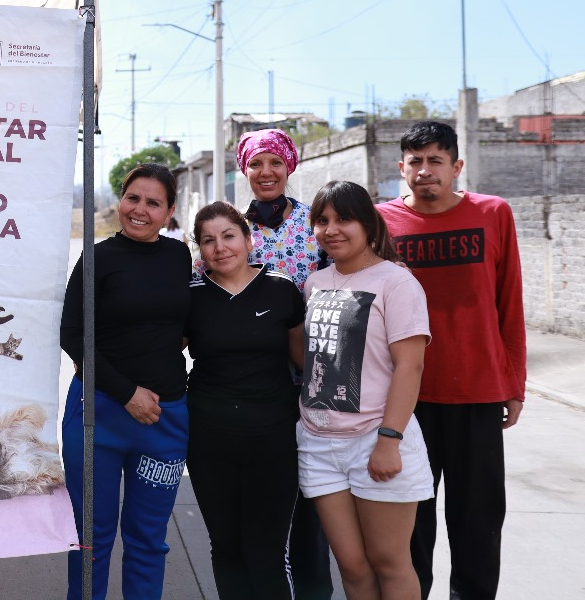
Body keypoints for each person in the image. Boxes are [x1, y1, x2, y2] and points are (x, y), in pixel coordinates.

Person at [376, 121, 525, 600]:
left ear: (456, 166)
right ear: (402, 168)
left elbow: (509, 301)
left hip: (477, 392)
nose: (425, 171)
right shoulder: (381, 222)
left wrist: (514, 382)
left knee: (478, 524)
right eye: (415, 162)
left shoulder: (493, 213)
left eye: (435, 160)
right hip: (405, 399)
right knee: (410, 525)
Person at [195, 127, 333, 599]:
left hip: (311, 389)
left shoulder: (316, 225)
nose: (266, 172)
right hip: (241, 395)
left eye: (275, 162)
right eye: (256, 164)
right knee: (240, 537)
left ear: (289, 166)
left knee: (308, 525)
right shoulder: (233, 225)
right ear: (244, 170)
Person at [60, 163, 191, 599]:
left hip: (163, 423)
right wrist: (126, 392)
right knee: (91, 541)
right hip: (98, 417)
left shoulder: (180, 256)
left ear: (170, 212)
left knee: (148, 542)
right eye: (133, 198)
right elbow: (72, 334)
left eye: (154, 203)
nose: (140, 210)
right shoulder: (97, 258)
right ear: (121, 200)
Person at [300, 181, 433, 600]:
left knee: (389, 563)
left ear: (369, 225)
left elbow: (410, 365)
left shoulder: (397, 282)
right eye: (322, 221)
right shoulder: (315, 283)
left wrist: (389, 440)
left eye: (344, 219)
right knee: (353, 568)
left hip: (376, 438)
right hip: (319, 444)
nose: (332, 229)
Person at [185, 201, 306, 599]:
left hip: (272, 437)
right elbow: (163, 353)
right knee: (227, 547)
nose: (220, 248)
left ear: (248, 238)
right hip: (210, 439)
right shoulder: (191, 298)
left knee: (267, 550)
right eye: (208, 240)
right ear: (199, 249)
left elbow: (303, 360)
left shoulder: (281, 288)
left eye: (229, 236)